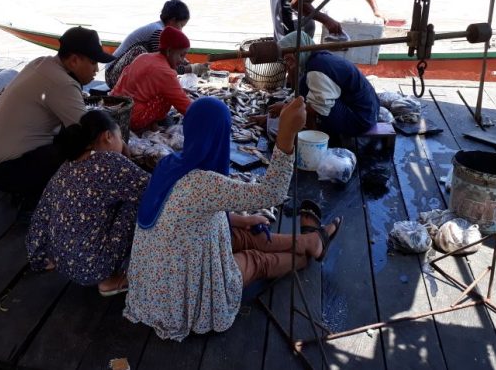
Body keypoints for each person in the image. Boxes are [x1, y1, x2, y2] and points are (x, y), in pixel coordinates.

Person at [123, 96, 341, 341]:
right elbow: (272, 192)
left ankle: (310, 243)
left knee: (246, 233)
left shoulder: (169, 164)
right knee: (255, 260)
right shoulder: (203, 183)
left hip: (158, 274)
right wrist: (286, 135)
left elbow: (195, 214)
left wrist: (241, 220)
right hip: (177, 291)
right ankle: (303, 258)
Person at [0, 26, 115, 219]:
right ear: (74, 60)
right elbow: (91, 133)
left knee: (68, 137)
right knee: (80, 147)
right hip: (5, 171)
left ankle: (29, 189)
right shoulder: (63, 83)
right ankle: (35, 202)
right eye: (93, 62)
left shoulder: (41, 63)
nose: (96, 70)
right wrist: (121, 149)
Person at [25, 110, 150, 296]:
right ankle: (113, 279)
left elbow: (41, 216)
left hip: (64, 265)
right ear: (108, 136)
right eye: (120, 137)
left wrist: (39, 258)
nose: (122, 142)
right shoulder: (109, 161)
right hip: (95, 268)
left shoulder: (67, 165)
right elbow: (152, 188)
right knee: (139, 202)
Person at [274, 30, 379, 137]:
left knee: (317, 103)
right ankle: (312, 130)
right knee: (304, 86)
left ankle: (314, 137)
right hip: (368, 111)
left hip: (361, 119)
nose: (287, 62)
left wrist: (285, 108)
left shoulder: (317, 68)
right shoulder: (319, 57)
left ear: (300, 49)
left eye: (288, 57)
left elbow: (318, 107)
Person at [110, 26, 193, 131]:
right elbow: (186, 107)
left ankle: (151, 125)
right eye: (181, 55)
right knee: (167, 95)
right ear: (168, 51)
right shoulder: (166, 72)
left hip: (114, 109)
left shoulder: (144, 56)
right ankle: (146, 126)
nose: (183, 60)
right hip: (130, 118)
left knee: (169, 89)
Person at [104, 0, 192, 88]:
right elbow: (164, 66)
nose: (181, 30)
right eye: (181, 25)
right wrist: (191, 69)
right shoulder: (158, 32)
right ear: (172, 20)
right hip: (112, 75)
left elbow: (171, 57)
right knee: (142, 54)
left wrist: (187, 63)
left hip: (119, 73)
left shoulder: (161, 29)